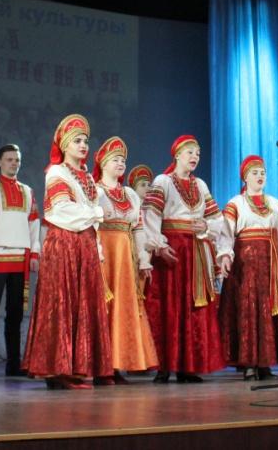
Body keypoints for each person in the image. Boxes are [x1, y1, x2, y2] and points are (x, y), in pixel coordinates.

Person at [22, 115, 112, 390]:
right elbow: (61, 211)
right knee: (62, 304)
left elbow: (90, 216)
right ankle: (58, 370)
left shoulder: (87, 177)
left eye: (85, 141)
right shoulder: (57, 172)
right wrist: (97, 212)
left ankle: (76, 367)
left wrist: (96, 245)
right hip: (64, 244)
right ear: (64, 145)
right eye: (77, 141)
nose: (83, 145)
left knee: (81, 304)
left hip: (84, 244)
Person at [143, 135, 226, 383]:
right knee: (168, 306)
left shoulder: (200, 185)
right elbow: (150, 215)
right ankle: (164, 366)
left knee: (191, 307)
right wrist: (159, 245)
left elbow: (217, 217)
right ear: (177, 154)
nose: (194, 157)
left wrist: (205, 226)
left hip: (195, 251)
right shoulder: (163, 181)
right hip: (172, 250)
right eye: (190, 152)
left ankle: (188, 367)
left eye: (197, 153)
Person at [217, 155, 278, 380]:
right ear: (245, 177)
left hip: (272, 264)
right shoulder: (236, 203)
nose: (260, 176)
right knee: (248, 310)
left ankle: (265, 364)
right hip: (246, 266)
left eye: (262, 172)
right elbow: (226, 234)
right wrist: (225, 255)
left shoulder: (275, 204)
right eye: (254, 172)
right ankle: (249, 364)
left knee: (268, 310)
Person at [93, 137, 158, 383]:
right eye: (115, 160)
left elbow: (138, 229)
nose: (120, 163)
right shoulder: (95, 191)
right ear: (103, 163)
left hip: (125, 256)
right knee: (104, 306)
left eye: (123, 160)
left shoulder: (130, 194)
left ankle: (117, 365)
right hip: (104, 253)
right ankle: (100, 365)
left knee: (123, 307)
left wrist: (143, 259)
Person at [0, 144, 40, 378]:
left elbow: (34, 223)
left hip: (20, 258)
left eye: (17, 160)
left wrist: (34, 253)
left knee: (16, 314)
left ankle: (14, 362)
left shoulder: (27, 190)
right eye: (10, 159)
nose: (14, 163)